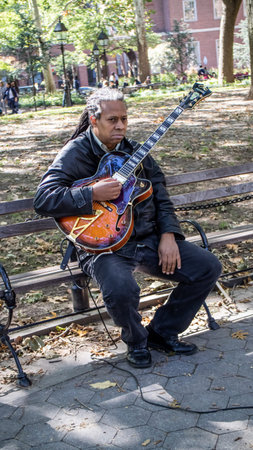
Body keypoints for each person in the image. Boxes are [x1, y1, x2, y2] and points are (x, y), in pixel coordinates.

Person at [33, 88, 222, 369]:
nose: (120, 125)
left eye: (124, 118)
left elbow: (160, 195)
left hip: (147, 238)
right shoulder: (76, 152)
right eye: (112, 119)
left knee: (207, 267)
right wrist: (92, 193)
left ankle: (162, 332)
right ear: (94, 120)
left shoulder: (136, 151)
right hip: (101, 245)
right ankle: (136, 341)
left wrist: (169, 235)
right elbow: (44, 199)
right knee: (121, 288)